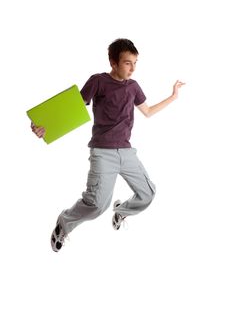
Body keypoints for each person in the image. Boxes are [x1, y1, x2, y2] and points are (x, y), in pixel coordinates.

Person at [31, 38, 185, 252]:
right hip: (103, 153)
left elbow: (148, 112)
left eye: (135, 62)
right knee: (96, 206)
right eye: (127, 63)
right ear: (113, 62)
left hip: (126, 151)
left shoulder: (133, 87)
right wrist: (43, 126)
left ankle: (122, 211)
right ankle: (64, 223)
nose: (132, 68)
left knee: (148, 194)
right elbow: (71, 108)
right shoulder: (98, 81)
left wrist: (173, 96)